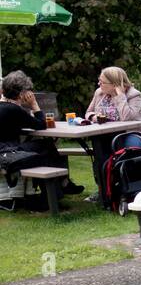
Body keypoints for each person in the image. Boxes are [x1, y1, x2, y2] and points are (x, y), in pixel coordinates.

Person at [0, 70, 83, 202]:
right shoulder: (13, 109)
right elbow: (41, 125)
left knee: (45, 146)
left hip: (6, 152)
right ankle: (56, 193)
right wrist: (34, 105)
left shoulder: (5, 107)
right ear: (22, 94)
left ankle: (62, 185)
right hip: (7, 155)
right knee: (46, 147)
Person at [84, 66, 141, 203]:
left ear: (114, 84)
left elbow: (127, 117)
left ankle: (136, 188)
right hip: (108, 134)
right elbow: (88, 112)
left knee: (131, 151)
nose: (99, 85)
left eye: (102, 82)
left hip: (134, 133)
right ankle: (105, 190)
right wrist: (95, 117)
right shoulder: (99, 93)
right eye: (99, 81)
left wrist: (120, 96)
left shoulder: (134, 95)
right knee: (101, 155)